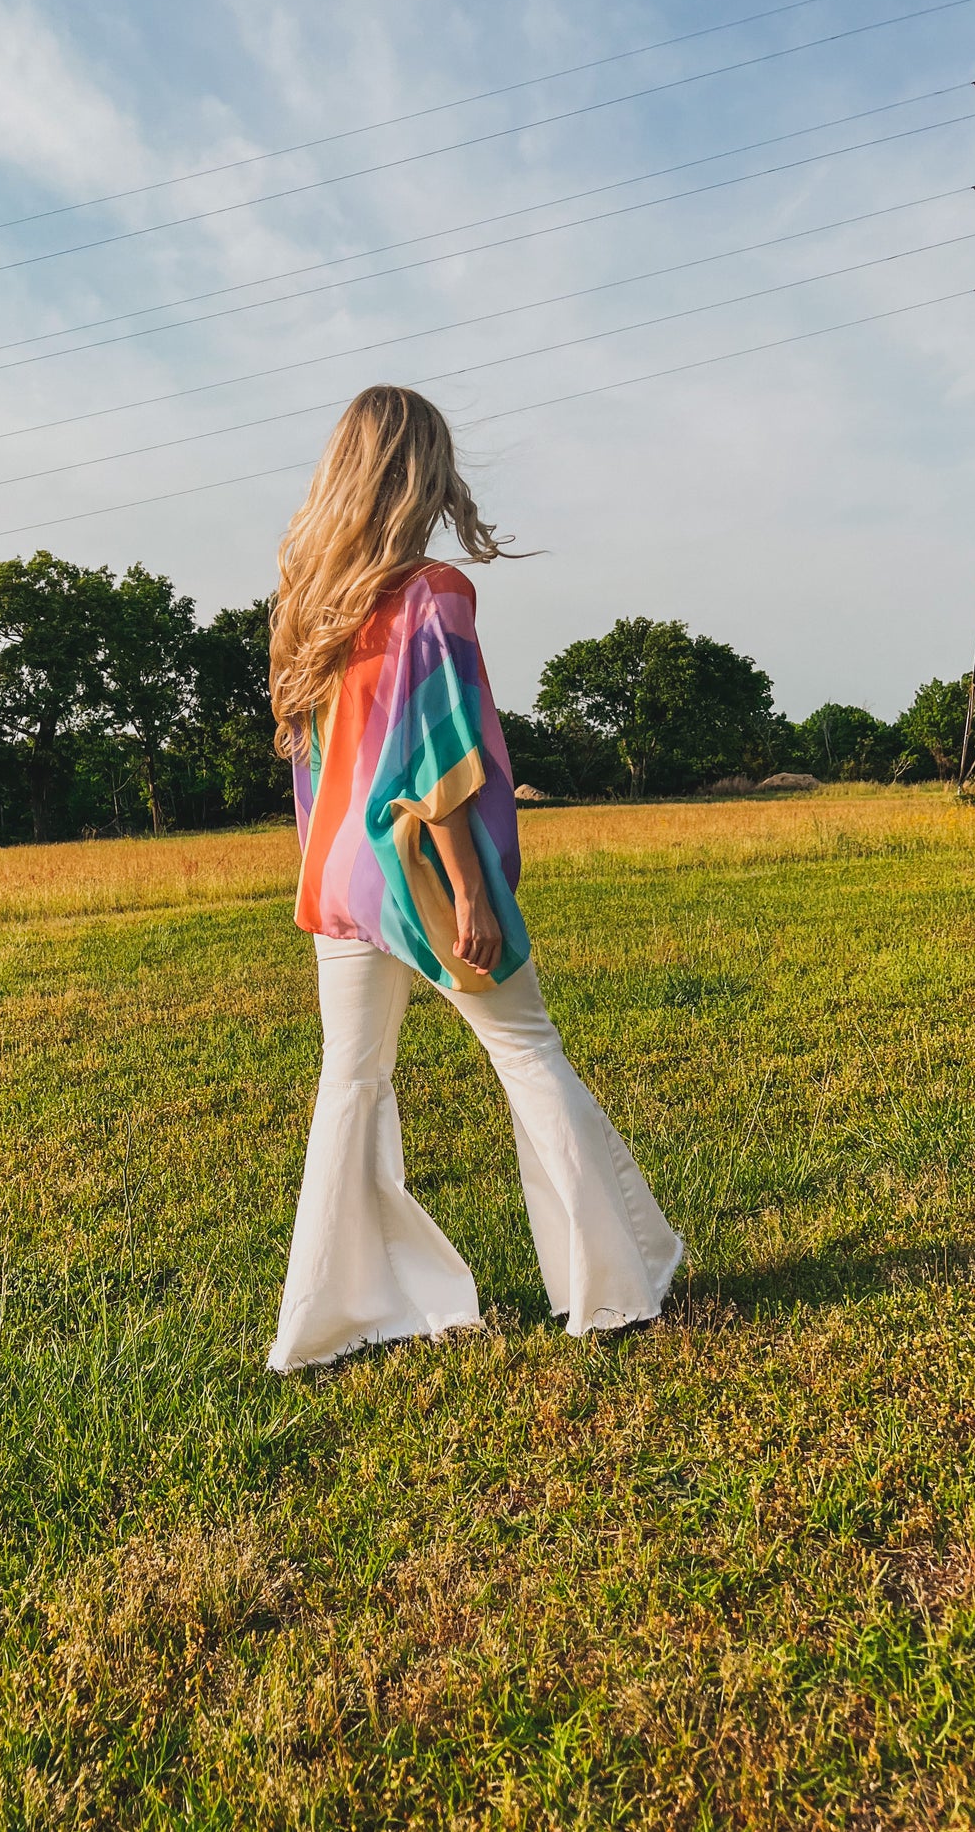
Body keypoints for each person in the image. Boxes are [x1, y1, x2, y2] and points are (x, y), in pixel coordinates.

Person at [265, 384, 682, 1373]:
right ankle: (612, 1290)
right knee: (527, 1050)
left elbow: (313, 768)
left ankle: (329, 1321)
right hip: (417, 870)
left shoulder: (306, 606)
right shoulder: (430, 594)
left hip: (336, 878)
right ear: (421, 472)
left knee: (350, 1082)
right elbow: (441, 756)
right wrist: (470, 892)